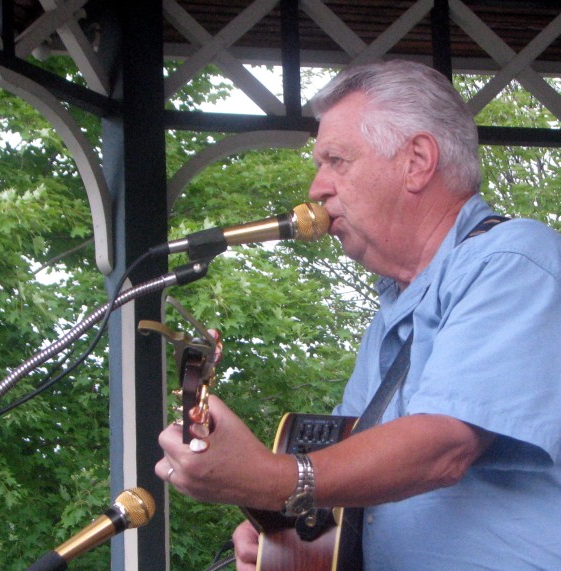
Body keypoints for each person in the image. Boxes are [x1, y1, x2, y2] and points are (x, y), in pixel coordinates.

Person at [155, 59, 561, 570]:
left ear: (416, 160)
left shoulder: (515, 260)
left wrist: (273, 479)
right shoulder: (391, 310)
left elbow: (443, 448)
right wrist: (278, 526)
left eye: (336, 160)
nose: (316, 188)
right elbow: (352, 491)